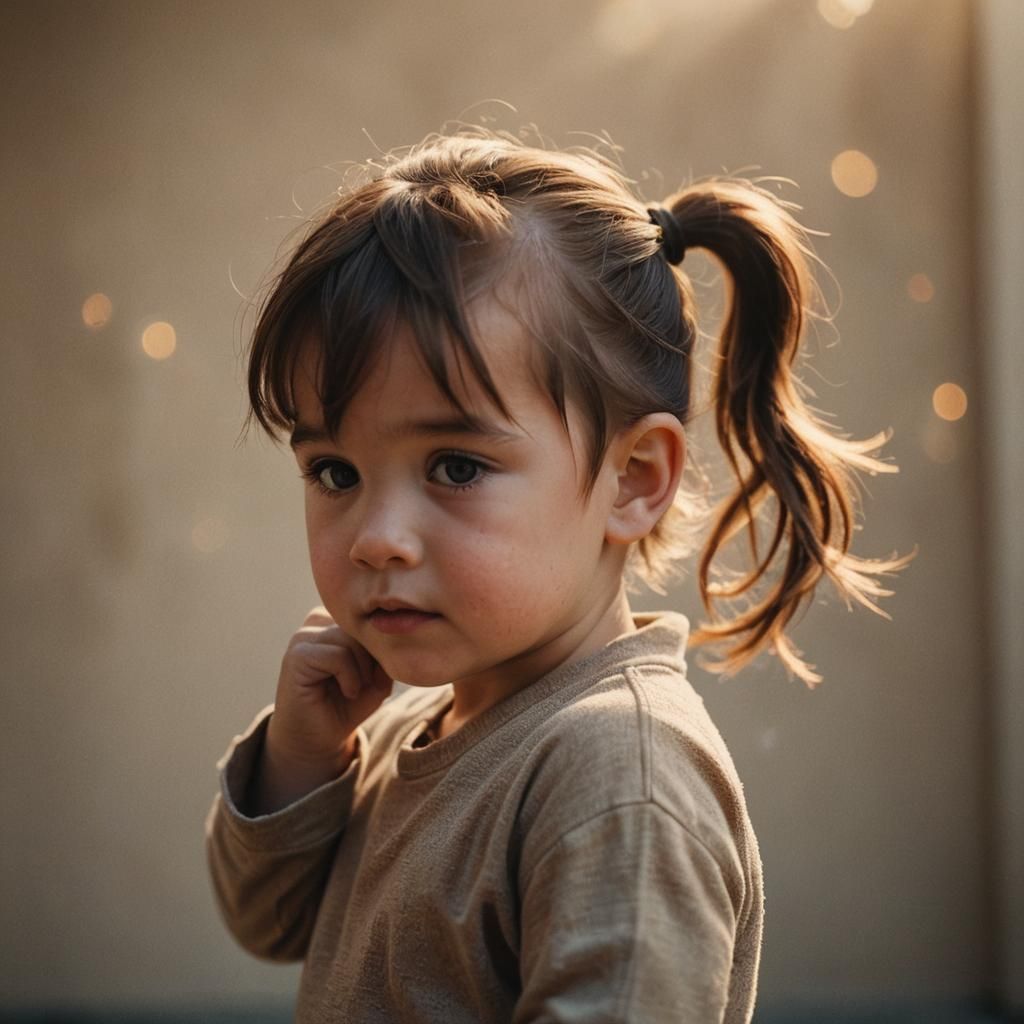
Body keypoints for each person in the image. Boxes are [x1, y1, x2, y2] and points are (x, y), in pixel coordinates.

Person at [204, 128, 913, 1023]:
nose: (376, 539)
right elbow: (266, 923)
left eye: (455, 466)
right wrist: (301, 764)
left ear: (634, 480)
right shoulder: (407, 724)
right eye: (335, 473)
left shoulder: (617, 772)